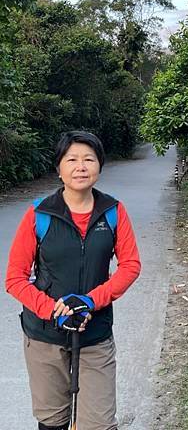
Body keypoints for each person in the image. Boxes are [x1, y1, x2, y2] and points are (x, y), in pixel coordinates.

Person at [5, 130, 141, 430]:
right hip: (45, 336)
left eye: (89, 159)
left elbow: (130, 266)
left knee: (99, 423)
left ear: (99, 166)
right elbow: (15, 278)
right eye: (72, 159)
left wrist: (91, 301)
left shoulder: (113, 212)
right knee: (52, 421)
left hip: (96, 333)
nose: (81, 166)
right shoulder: (39, 214)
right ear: (59, 168)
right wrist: (53, 309)